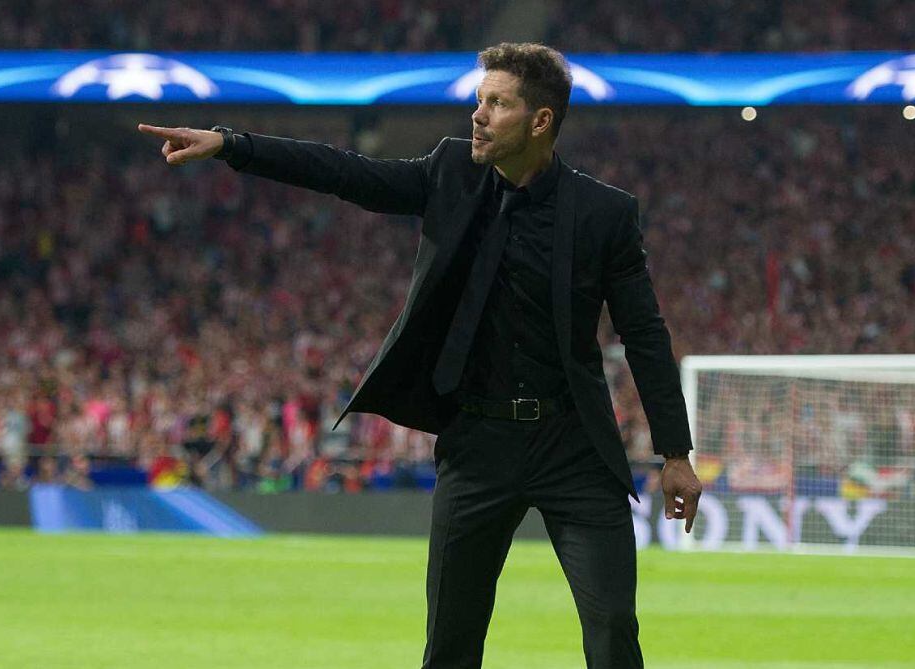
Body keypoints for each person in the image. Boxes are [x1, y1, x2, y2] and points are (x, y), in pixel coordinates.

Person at [139, 42, 702, 669]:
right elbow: (345, 172)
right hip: (478, 443)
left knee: (613, 630)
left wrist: (675, 454)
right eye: (478, 100)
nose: (477, 115)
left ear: (541, 121)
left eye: (497, 103)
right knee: (451, 644)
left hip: (574, 445)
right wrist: (232, 145)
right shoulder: (450, 173)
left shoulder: (605, 215)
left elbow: (646, 337)